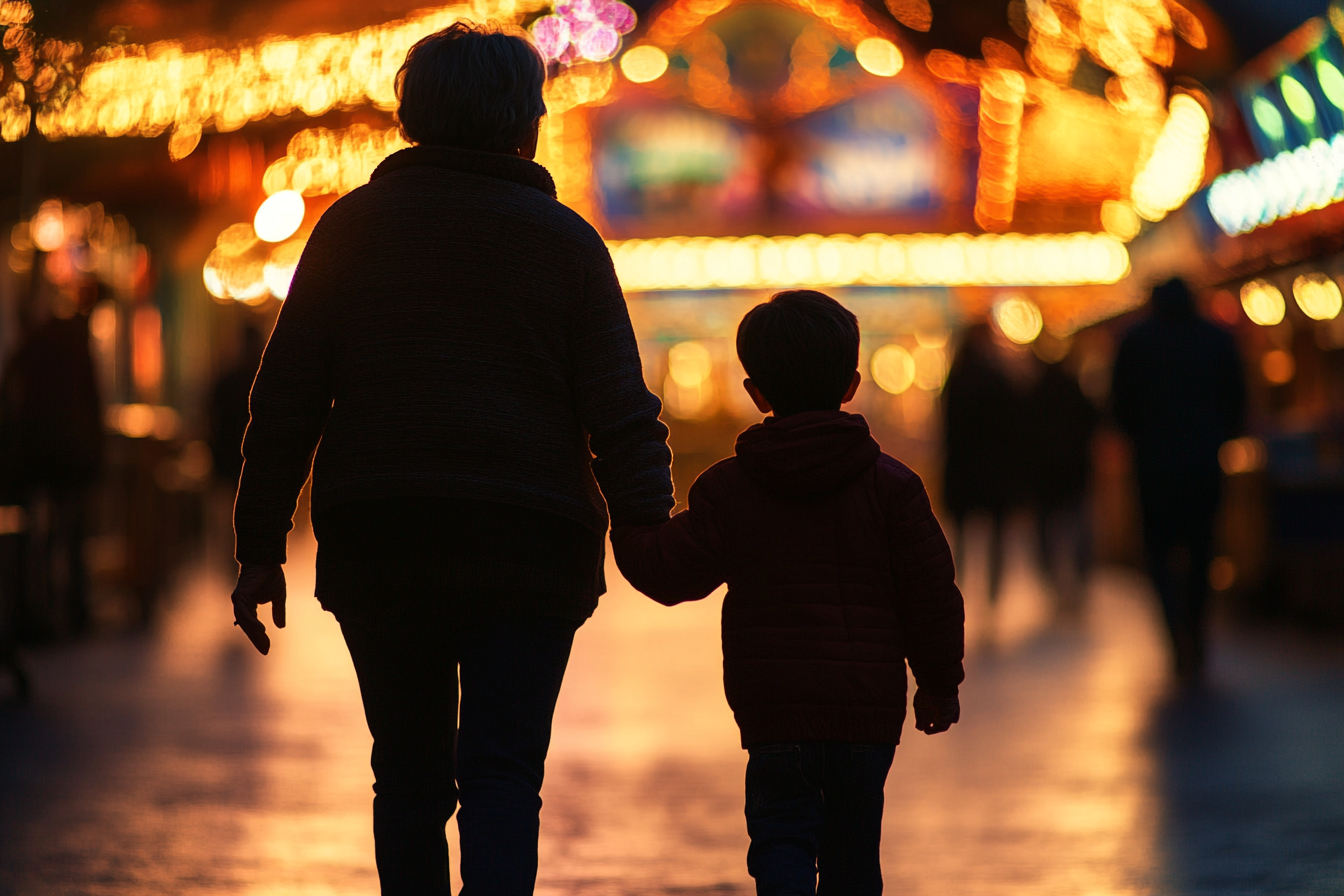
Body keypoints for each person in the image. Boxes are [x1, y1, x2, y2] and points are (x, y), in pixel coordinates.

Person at [229, 23, 673, 895]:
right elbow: (621, 412)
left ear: (412, 114)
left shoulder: (351, 229)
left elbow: (284, 404)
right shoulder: (566, 243)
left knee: (407, 776)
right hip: (530, 542)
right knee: (505, 774)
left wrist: (258, 548)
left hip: (383, 534)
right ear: (523, 119)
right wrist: (650, 533)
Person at [612, 291, 965, 896]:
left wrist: (628, 502)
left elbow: (670, 572)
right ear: (852, 384)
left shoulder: (729, 490)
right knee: (854, 852)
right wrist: (937, 684)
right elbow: (930, 597)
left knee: (781, 840)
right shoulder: (893, 489)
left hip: (774, 712)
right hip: (865, 714)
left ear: (756, 392)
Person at [1111, 278, 1245, 682]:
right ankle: (1197, 632)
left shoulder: (1135, 342)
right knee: (1202, 547)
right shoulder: (1215, 339)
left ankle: (1174, 634)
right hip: (1204, 464)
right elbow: (1237, 399)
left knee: (1158, 552)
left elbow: (1119, 405)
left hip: (1153, 466)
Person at [941, 323, 1029, 603]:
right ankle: (992, 598)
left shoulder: (955, 379)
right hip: (995, 472)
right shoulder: (996, 378)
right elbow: (1014, 427)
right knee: (996, 538)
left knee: (961, 537)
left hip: (962, 470)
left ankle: (957, 593)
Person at [1026, 348, 1098, 611]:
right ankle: (1081, 574)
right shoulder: (1074, 389)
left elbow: (1026, 434)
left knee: (1046, 526)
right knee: (1079, 522)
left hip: (1044, 474)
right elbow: (1093, 419)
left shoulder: (1034, 393)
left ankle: (1050, 577)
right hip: (1075, 469)